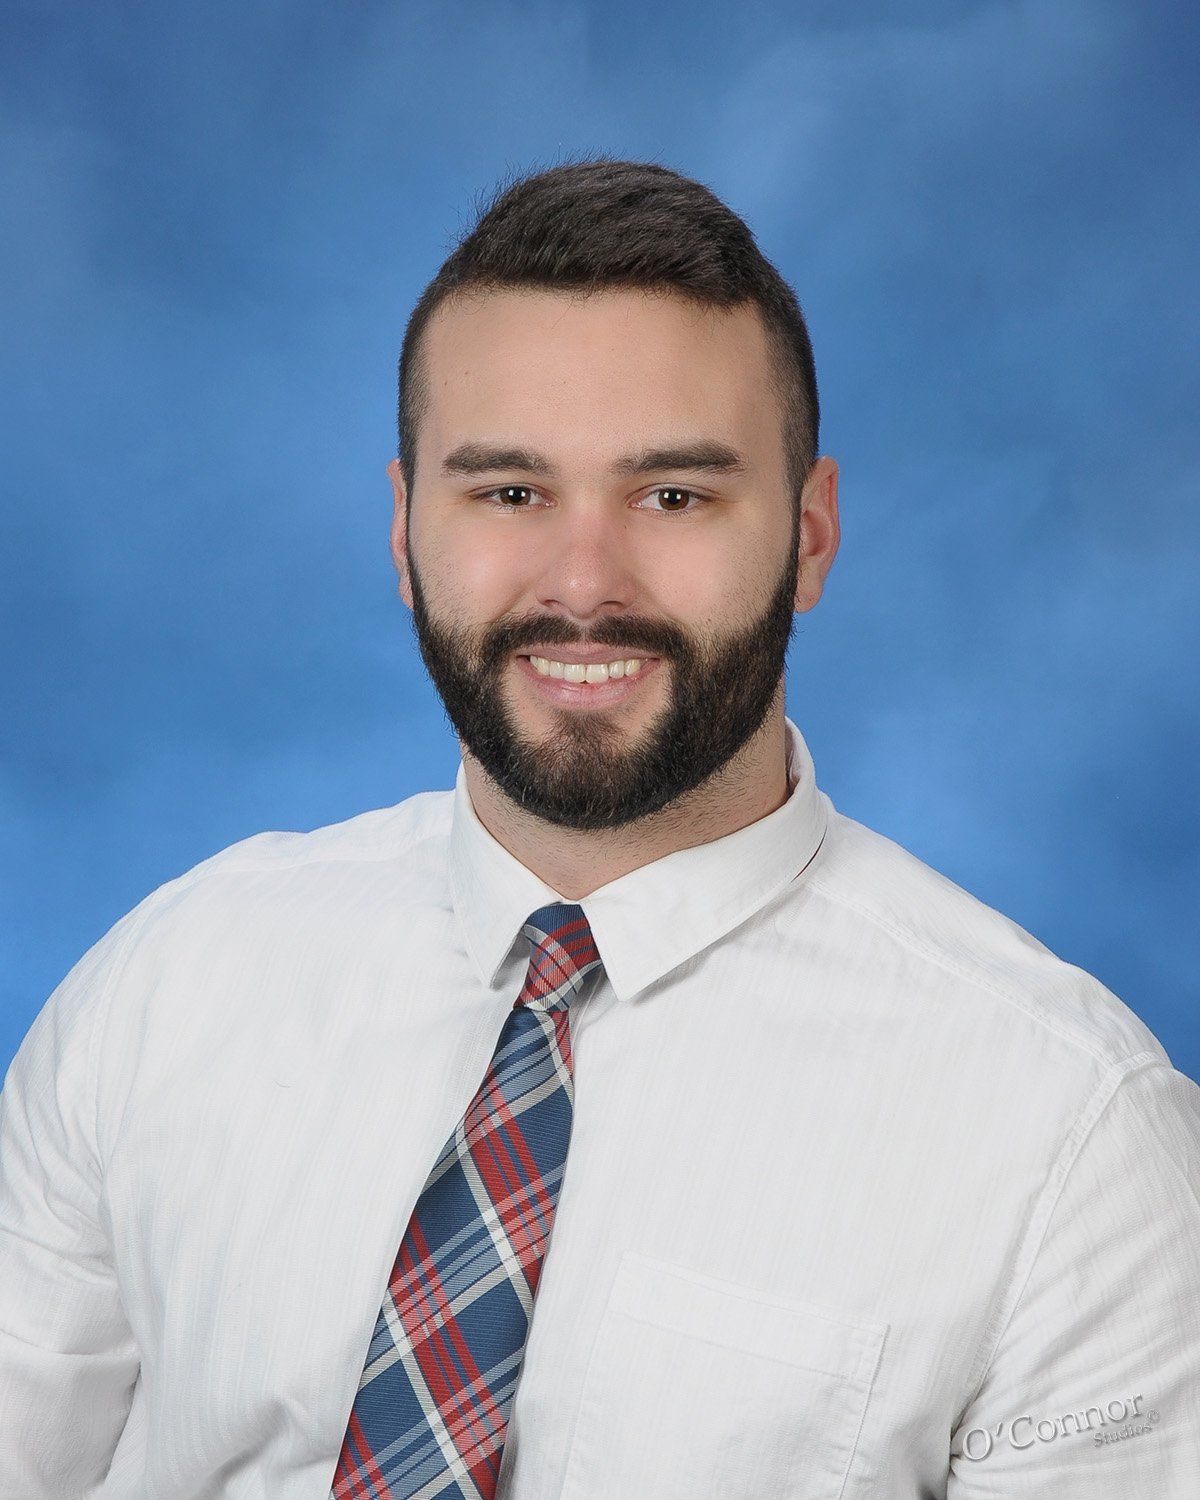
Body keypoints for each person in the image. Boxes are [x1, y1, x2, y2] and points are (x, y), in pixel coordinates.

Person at [1, 156, 1197, 1500]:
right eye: (509, 493)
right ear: (403, 529)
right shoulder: (167, 990)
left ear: (810, 535)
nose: (583, 584)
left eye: (673, 495)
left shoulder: (1071, 1140)